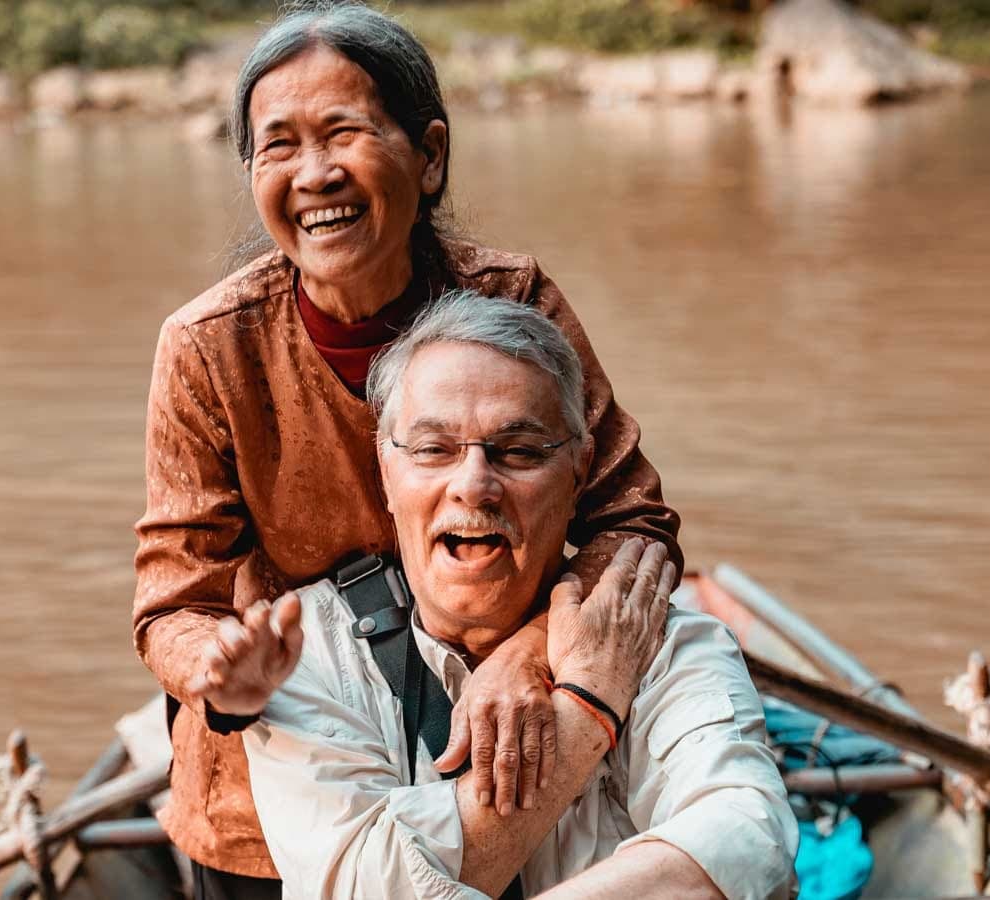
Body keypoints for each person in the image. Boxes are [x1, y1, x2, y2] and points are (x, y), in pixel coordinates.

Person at [132, 2, 682, 893]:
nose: (314, 175)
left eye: (344, 133)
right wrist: (221, 672)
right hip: (281, 794)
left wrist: (531, 650)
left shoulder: (514, 300)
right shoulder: (209, 346)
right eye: (278, 146)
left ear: (428, 156)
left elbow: (636, 523)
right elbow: (171, 603)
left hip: (501, 748)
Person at [238, 290, 798, 899]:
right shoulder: (307, 651)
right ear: (385, 470)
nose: (474, 485)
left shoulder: (655, 638)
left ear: (581, 470)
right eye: (433, 450)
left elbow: (747, 840)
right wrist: (588, 712)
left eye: (520, 451)